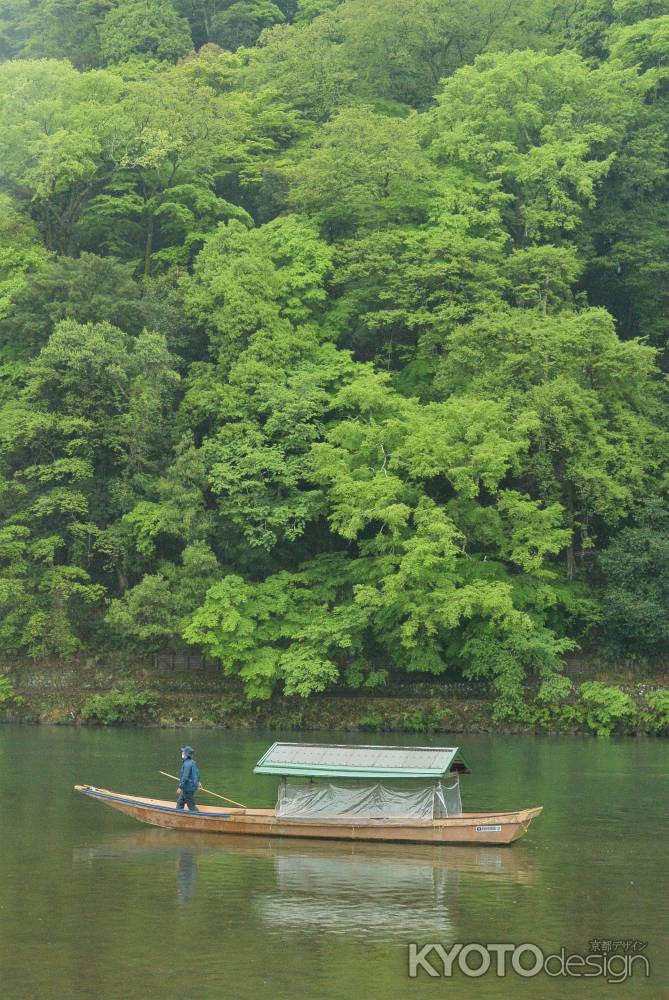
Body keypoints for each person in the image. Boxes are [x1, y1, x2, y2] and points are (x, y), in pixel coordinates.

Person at [176, 746, 202, 811]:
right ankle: (179, 815)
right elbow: (197, 773)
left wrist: (180, 787)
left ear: (186, 755)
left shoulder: (187, 764)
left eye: (183, 752)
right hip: (189, 787)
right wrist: (198, 783)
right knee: (180, 802)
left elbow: (185, 777)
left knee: (191, 805)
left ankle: (198, 816)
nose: (182, 753)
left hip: (187, 788)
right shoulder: (193, 762)